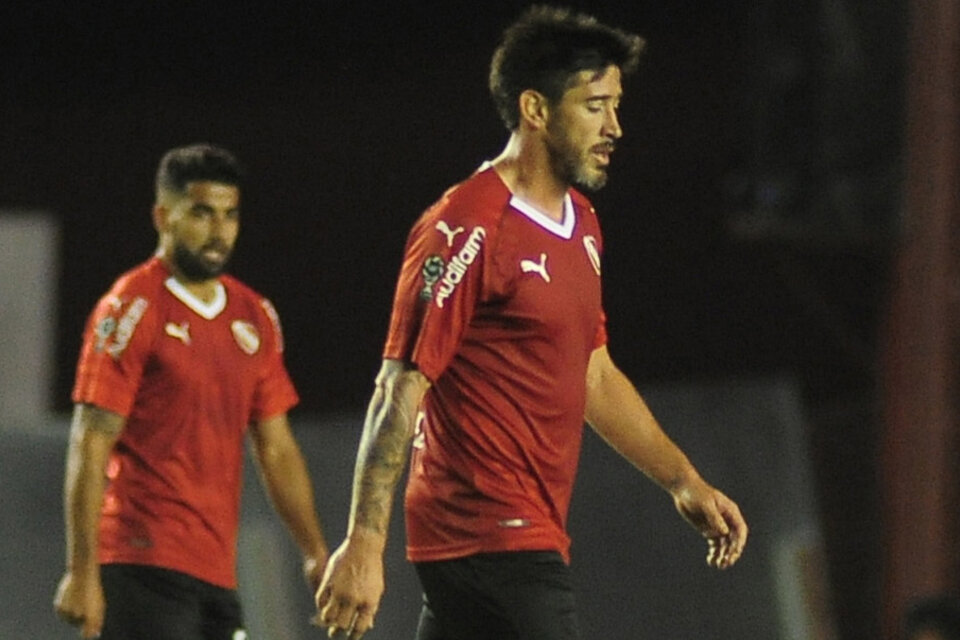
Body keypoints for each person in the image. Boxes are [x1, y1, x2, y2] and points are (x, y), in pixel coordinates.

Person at [316, 7, 748, 640]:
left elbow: (593, 374)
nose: (615, 127)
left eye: (616, 105)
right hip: (493, 536)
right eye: (595, 106)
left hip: (504, 543)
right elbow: (399, 386)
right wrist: (362, 542)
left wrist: (683, 480)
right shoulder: (468, 224)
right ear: (536, 109)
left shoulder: (583, 224)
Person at [53, 144, 329, 640]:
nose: (218, 230)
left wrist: (314, 553)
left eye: (229, 215)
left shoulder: (255, 317)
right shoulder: (131, 307)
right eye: (201, 213)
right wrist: (82, 572)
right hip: (140, 562)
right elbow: (89, 442)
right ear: (163, 216)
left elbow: (277, 447)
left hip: (216, 573)